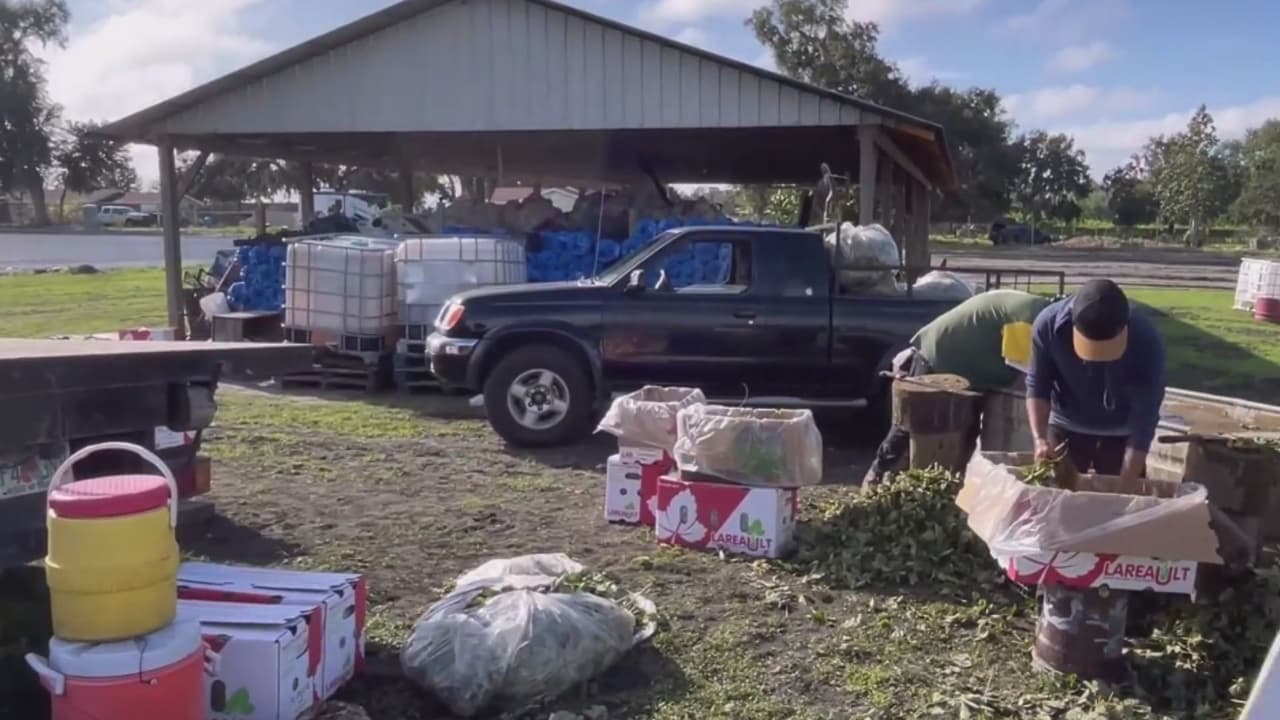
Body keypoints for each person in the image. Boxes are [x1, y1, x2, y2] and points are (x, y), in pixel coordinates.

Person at [863, 289, 1051, 486]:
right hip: (940, 357)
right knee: (911, 424)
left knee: (967, 429)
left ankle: (952, 485)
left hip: (974, 369)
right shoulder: (1027, 320)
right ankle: (877, 474)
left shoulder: (1040, 310)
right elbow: (1028, 376)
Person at [1025, 279, 1166, 481]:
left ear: (1124, 327)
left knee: (1123, 505)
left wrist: (1127, 483)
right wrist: (1040, 439)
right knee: (1059, 499)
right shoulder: (1047, 326)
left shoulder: (1146, 338)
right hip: (1066, 428)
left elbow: (1146, 416)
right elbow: (1038, 384)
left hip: (1122, 434)